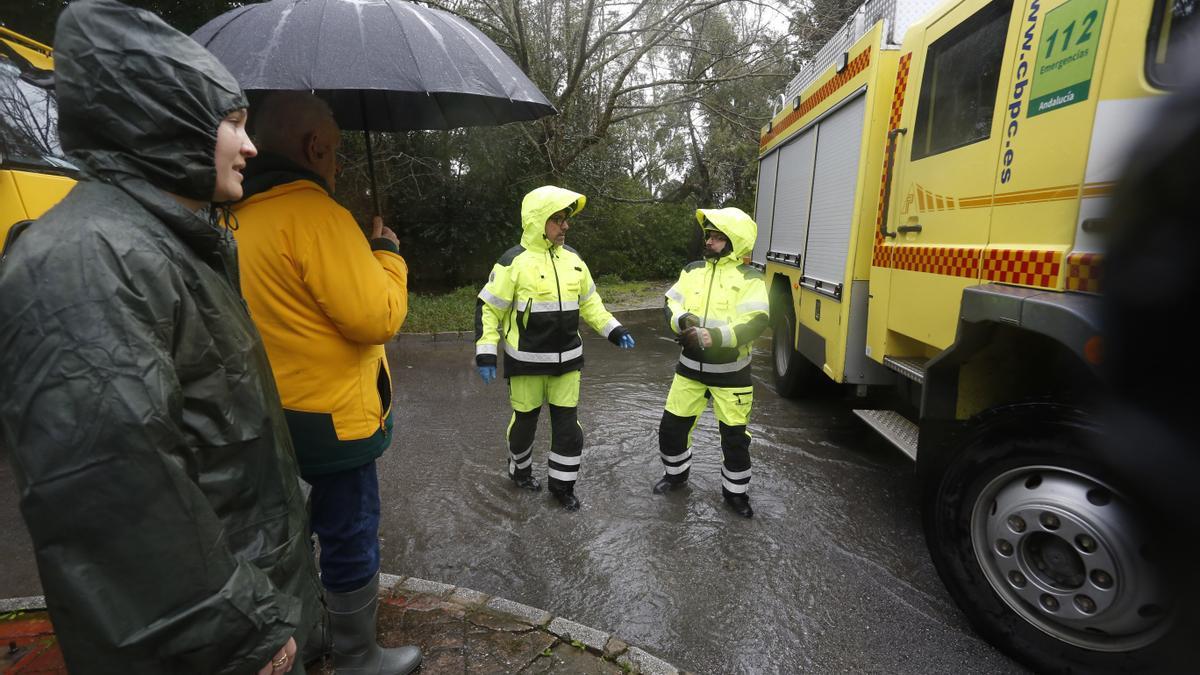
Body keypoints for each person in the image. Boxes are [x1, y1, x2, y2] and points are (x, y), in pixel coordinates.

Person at [0, 1, 320, 672]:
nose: (252, 146)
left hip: (249, 613)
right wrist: (233, 633)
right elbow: (115, 500)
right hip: (209, 646)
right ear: (164, 120)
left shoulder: (172, 246)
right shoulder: (86, 259)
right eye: (233, 124)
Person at [231, 91, 421, 675]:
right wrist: (387, 255)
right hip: (334, 418)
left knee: (284, 528)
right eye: (334, 149)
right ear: (315, 147)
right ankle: (359, 655)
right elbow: (376, 318)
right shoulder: (317, 215)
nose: (336, 161)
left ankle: (303, 637)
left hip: (266, 410)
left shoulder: (234, 217)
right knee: (349, 527)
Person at [474, 186, 636, 510]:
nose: (566, 226)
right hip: (526, 365)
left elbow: (592, 305)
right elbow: (488, 308)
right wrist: (486, 351)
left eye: (566, 220)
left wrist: (614, 330)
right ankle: (519, 470)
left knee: (569, 431)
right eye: (558, 219)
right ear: (539, 221)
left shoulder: (574, 260)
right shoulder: (513, 262)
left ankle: (562, 488)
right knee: (524, 427)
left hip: (568, 365)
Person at [653, 208, 769, 518]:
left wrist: (714, 337)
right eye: (709, 235)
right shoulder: (692, 271)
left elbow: (757, 320)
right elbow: (670, 302)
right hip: (689, 371)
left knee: (734, 439)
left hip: (731, 375)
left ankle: (735, 495)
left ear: (735, 241)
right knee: (671, 430)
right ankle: (675, 478)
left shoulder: (750, 278)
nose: (710, 241)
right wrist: (682, 320)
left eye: (718, 237)